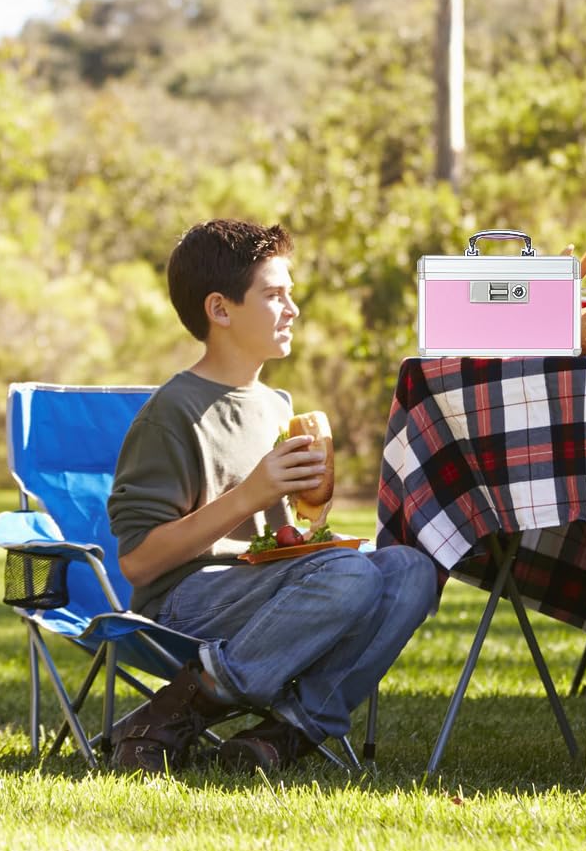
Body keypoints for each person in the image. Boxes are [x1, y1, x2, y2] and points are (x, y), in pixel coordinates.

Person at [107, 219, 439, 772]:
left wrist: (310, 517)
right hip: (182, 604)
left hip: (260, 589)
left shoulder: (276, 406)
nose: (293, 310)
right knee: (351, 574)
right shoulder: (173, 413)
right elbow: (140, 563)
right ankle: (177, 707)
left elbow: (278, 542)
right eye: (274, 295)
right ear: (221, 309)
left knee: (412, 570)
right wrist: (250, 493)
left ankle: (286, 734)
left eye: (291, 295)